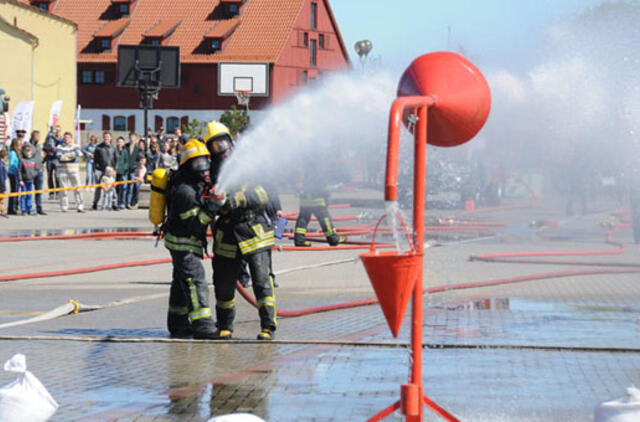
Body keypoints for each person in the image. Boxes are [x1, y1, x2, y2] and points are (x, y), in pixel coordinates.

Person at [203, 121, 279, 341]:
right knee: (223, 282)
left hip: (253, 229)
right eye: (215, 145)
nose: (221, 148)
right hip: (226, 232)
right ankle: (225, 325)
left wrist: (238, 200)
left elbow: (266, 195)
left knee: (261, 280)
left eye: (223, 142)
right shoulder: (210, 170)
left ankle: (268, 326)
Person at [162, 139, 219, 339]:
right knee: (195, 280)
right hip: (183, 242)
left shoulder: (193, 184)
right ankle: (202, 324)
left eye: (205, 162)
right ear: (187, 165)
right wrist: (212, 208)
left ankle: (177, 323)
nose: (203, 168)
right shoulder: (185, 191)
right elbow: (195, 224)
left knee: (180, 282)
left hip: (184, 240)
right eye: (197, 164)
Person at [293, 164, 346, 247]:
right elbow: (324, 188)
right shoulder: (319, 173)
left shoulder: (305, 171)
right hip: (317, 202)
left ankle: (299, 241)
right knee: (325, 221)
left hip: (304, 202)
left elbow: (298, 187)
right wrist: (337, 187)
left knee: (302, 221)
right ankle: (333, 239)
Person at [56, 132, 85, 213]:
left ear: (71, 138)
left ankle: (80, 205)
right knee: (63, 190)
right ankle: (64, 206)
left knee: (77, 188)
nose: (66, 139)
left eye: (68, 137)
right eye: (65, 137)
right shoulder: (60, 146)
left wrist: (66, 156)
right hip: (62, 171)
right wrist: (70, 155)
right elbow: (59, 156)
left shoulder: (76, 146)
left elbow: (78, 154)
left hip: (74, 170)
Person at [91, 132, 116, 210]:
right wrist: (95, 169)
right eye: (105, 137)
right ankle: (95, 203)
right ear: (103, 137)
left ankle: (113, 203)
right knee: (99, 187)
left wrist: (115, 169)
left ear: (110, 138)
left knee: (112, 188)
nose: (106, 138)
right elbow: (95, 159)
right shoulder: (98, 147)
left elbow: (116, 159)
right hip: (100, 170)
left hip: (110, 171)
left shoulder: (113, 148)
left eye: (108, 137)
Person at [28, 130, 46, 215]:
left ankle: (39, 208)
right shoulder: (28, 146)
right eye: (38, 136)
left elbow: (40, 157)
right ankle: (29, 208)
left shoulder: (39, 146)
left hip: (39, 170)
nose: (39, 138)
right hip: (31, 171)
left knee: (39, 191)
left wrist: (42, 166)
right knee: (29, 190)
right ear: (34, 136)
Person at [43, 125, 62, 199]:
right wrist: (47, 150)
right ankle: (51, 193)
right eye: (55, 130)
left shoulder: (60, 139)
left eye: (58, 130)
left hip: (57, 159)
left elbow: (62, 147)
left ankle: (58, 193)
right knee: (49, 176)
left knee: (57, 176)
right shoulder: (48, 137)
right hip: (49, 159)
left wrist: (57, 149)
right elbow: (44, 147)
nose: (56, 131)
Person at [19, 143, 38, 215]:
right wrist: (20, 180)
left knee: (29, 195)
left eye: (29, 151)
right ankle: (23, 209)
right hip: (24, 181)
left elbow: (35, 169)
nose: (28, 153)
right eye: (26, 151)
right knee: (24, 195)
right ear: (24, 152)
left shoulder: (33, 160)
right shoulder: (22, 160)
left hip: (31, 180)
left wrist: (34, 175)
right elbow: (19, 171)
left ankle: (29, 208)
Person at [7, 136, 22, 215]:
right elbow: (12, 164)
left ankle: (15, 206)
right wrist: (17, 171)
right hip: (13, 173)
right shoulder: (13, 153)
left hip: (16, 173)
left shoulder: (17, 153)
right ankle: (12, 208)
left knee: (16, 190)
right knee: (14, 190)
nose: (21, 146)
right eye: (19, 145)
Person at [0, 148, 8, 216]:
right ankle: (2, 211)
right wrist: (3, 186)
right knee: (1, 199)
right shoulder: (1, 165)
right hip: (1, 185)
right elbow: (2, 177)